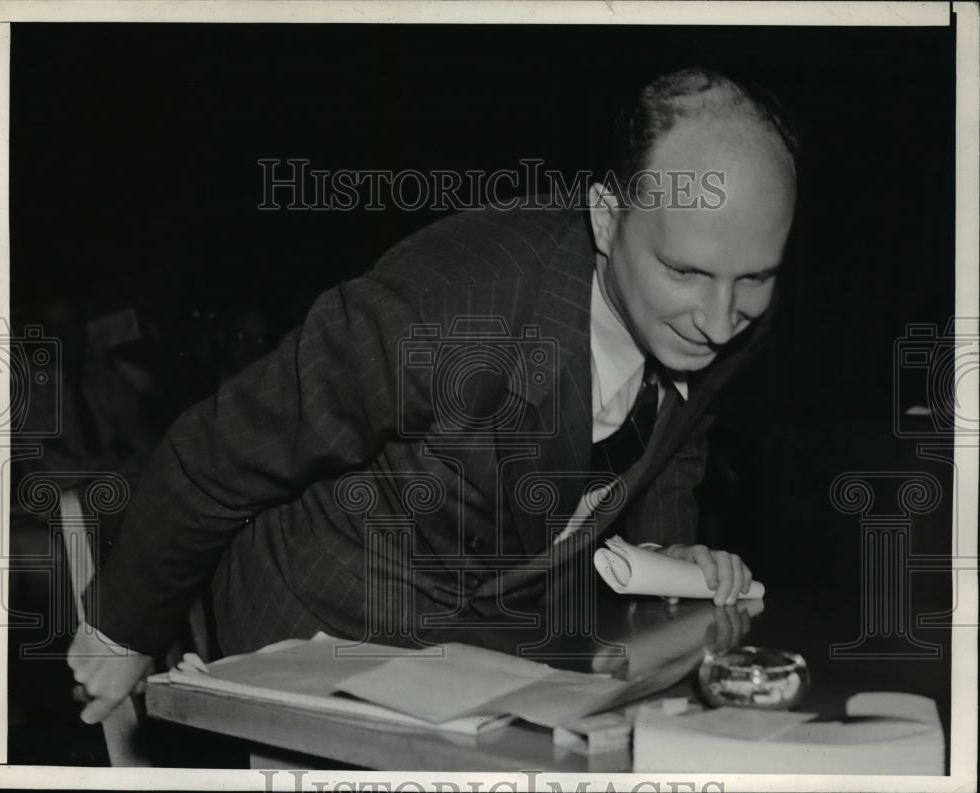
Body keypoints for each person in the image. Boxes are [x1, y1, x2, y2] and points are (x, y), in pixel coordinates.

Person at [68, 68, 798, 724]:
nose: (718, 319)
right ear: (607, 219)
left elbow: (680, 427)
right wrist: (124, 626)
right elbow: (222, 449)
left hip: (505, 632)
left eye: (756, 279)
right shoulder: (449, 308)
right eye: (685, 273)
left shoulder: (726, 294)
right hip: (328, 613)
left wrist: (662, 545)